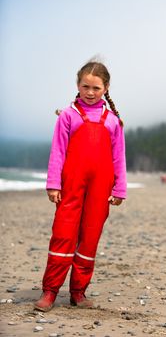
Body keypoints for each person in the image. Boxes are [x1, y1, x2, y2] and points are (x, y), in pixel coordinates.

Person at [34, 61, 127, 312]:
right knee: (63, 234)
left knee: (89, 239)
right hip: (71, 185)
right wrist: (53, 184)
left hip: (101, 187)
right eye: (85, 86)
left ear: (106, 88)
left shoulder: (113, 122)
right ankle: (50, 291)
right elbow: (58, 152)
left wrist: (119, 189)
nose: (90, 92)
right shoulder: (68, 115)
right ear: (77, 85)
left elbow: (119, 157)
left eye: (96, 87)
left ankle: (78, 292)